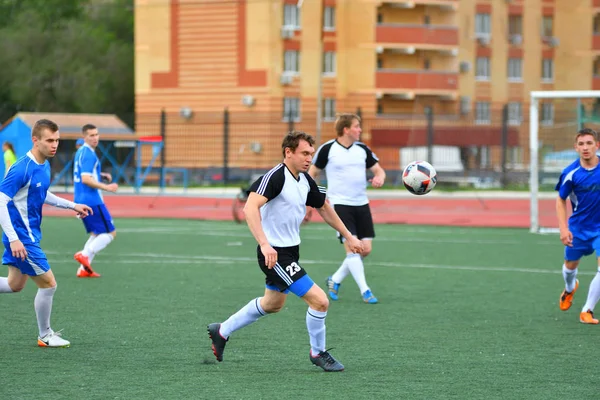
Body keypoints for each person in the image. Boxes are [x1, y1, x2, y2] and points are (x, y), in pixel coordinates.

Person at [207, 131, 363, 371]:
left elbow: (324, 207)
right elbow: (250, 208)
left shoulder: (305, 180)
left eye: (311, 153)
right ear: (288, 152)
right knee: (320, 301)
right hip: (275, 254)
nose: (309, 158)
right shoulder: (275, 177)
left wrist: (349, 235)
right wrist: (264, 244)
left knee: (272, 304)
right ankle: (318, 353)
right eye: (304, 153)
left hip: (290, 251)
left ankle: (222, 330)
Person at [0, 119, 93, 347]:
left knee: (15, 285)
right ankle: (45, 335)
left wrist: (72, 205)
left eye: (57, 140)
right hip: (23, 239)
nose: (54, 145)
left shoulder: (44, 165)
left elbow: (43, 194)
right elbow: (1, 201)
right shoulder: (22, 167)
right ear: (35, 140)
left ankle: (45, 334)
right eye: (49, 140)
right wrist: (14, 239)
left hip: (28, 236)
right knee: (49, 284)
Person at [308, 113, 386, 304]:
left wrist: (380, 178)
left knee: (365, 249)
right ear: (346, 129)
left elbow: (378, 170)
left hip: (362, 203)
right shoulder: (328, 149)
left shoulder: (362, 149)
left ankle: (334, 280)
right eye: (357, 126)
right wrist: (317, 195)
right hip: (339, 205)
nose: (360, 129)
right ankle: (365, 291)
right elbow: (313, 172)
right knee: (352, 248)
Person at [557, 128, 600, 324]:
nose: (585, 148)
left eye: (589, 143)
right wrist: (564, 229)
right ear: (576, 148)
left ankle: (587, 310)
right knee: (570, 267)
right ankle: (569, 288)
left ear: (596, 146)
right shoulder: (571, 173)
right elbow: (560, 200)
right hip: (578, 229)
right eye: (581, 144)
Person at [73, 124, 118, 278]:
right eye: (91, 135)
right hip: (92, 200)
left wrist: (101, 174)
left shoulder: (81, 152)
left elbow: (85, 173)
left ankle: (83, 269)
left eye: (96, 134)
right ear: (84, 136)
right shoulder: (89, 154)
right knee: (110, 233)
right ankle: (84, 254)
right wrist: (106, 187)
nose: (95, 138)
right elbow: (86, 179)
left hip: (80, 199)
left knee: (96, 233)